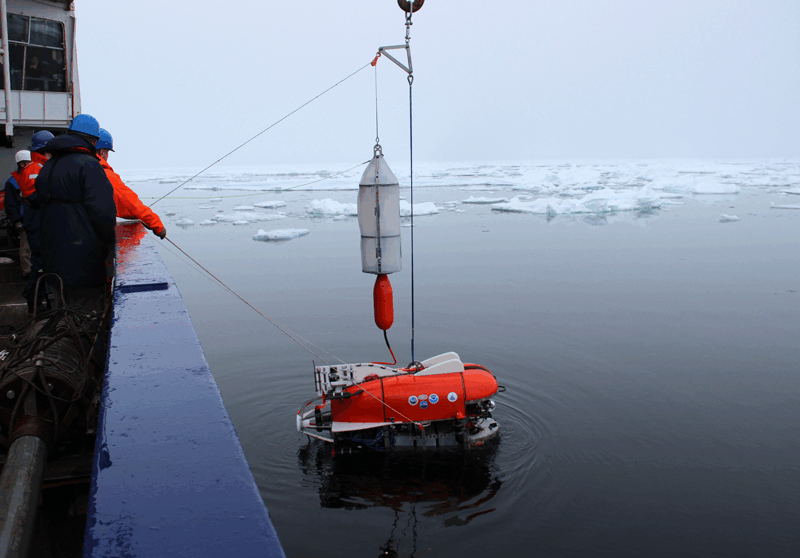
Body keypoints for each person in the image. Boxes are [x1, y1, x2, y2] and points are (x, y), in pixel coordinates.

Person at [33, 114, 116, 311]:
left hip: (53, 258)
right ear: (93, 140)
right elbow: (103, 212)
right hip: (83, 261)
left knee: (62, 313)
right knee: (85, 317)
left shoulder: (48, 167)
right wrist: (108, 246)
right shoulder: (88, 165)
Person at [95, 128, 166, 239]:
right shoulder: (101, 171)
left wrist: (133, 214)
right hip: (91, 235)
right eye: (107, 152)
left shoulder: (71, 164)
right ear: (102, 152)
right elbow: (128, 200)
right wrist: (156, 224)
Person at [18, 130, 54, 311]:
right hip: (36, 221)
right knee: (40, 263)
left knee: (43, 262)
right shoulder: (34, 169)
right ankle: (34, 300)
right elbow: (32, 195)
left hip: (38, 221)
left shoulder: (40, 167)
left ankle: (39, 298)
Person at [3, 150, 32, 276]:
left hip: (35, 216)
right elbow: (10, 203)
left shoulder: (33, 176)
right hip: (25, 218)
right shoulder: (13, 181)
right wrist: (16, 220)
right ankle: (28, 271)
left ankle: (39, 270)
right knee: (26, 248)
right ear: (22, 164)